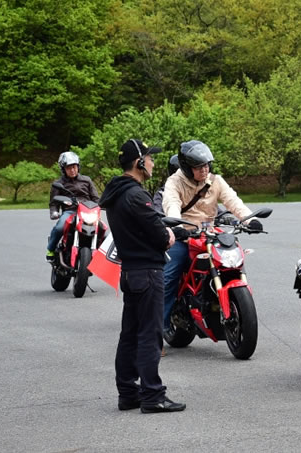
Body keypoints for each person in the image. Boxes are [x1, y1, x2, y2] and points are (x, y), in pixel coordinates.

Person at [98, 138, 186, 414]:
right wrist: (171, 234)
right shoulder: (137, 195)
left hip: (131, 271)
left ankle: (127, 392)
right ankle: (152, 394)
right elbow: (161, 237)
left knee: (130, 334)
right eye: (149, 158)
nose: (152, 162)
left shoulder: (116, 193)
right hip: (148, 272)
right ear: (138, 163)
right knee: (150, 334)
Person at [161, 140, 262, 334]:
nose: (204, 170)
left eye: (206, 165)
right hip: (185, 235)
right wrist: (177, 225)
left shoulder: (216, 181)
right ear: (187, 168)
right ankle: (160, 328)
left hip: (210, 234)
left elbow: (233, 201)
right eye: (198, 167)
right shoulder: (175, 181)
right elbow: (171, 204)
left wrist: (250, 220)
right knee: (168, 277)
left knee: (232, 260)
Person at [46, 151, 102, 261]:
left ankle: (100, 257)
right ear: (63, 169)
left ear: (78, 167)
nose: (72, 170)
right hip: (70, 211)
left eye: (74, 167)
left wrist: (105, 204)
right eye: (69, 168)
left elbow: (95, 198)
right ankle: (51, 249)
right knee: (60, 227)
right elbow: (53, 202)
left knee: (103, 229)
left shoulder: (86, 180)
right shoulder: (59, 183)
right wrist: (54, 212)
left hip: (88, 211)